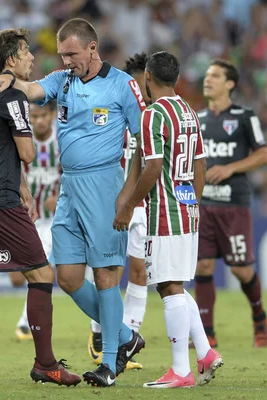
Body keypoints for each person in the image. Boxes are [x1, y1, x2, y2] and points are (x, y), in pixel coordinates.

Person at [0, 18, 146, 387]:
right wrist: (12, 82)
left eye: (71, 53)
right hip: (69, 186)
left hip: (106, 184)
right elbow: (34, 89)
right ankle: (125, 337)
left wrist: (129, 197)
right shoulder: (64, 79)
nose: (66, 60)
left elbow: (142, 146)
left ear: (92, 47)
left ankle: (108, 362)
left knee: (105, 273)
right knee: (69, 278)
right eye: (61, 54)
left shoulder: (123, 85)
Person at [0, 28, 81, 390]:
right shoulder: (10, 96)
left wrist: (23, 184)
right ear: (10, 60)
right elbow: (25, 152)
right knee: (42, 276)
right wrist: (20, 178)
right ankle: (46, 364)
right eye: (25, 52)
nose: (31, 58)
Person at [114, 51, 224, 389]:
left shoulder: (153, 115)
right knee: (174, 283)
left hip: (164, 212)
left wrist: (130, 204)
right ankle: (205, 352)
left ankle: (180, 370)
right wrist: (192, 201)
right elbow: (201, 166)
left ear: (147, 77)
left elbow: (153, 168)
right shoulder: (189, 111)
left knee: (168, 286)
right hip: (187, 210)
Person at [194, 59, 267, 348]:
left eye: (214, 76)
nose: (207, 79)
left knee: (241, 270)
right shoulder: (197, 119)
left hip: (234, 205)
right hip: (203, 205)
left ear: (230, 84)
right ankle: (206, 333)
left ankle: (258, 313)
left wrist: (230, 168)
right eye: (206, 75)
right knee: (202, 267)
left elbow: (263, 154)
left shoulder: (244, 116)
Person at [87, 52, 149, 372]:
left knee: (140, 272)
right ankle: (100, 333)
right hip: (117, 200)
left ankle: (127, 342)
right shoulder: (115, 113)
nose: (141, 91)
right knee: (112, 273)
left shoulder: (153, 118)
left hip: (145, 202)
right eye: (137, 83)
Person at [9, 100, 60, 341]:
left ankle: (26, 323)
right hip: (25, 219)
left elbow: (73, 172)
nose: (39, 121)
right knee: (17, 279)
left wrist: (60, 196)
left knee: (43, 270)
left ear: (52, 115)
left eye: (43, 115)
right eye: (34, 116)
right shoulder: (22, 142)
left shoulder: (62, 141)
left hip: (54, 221)